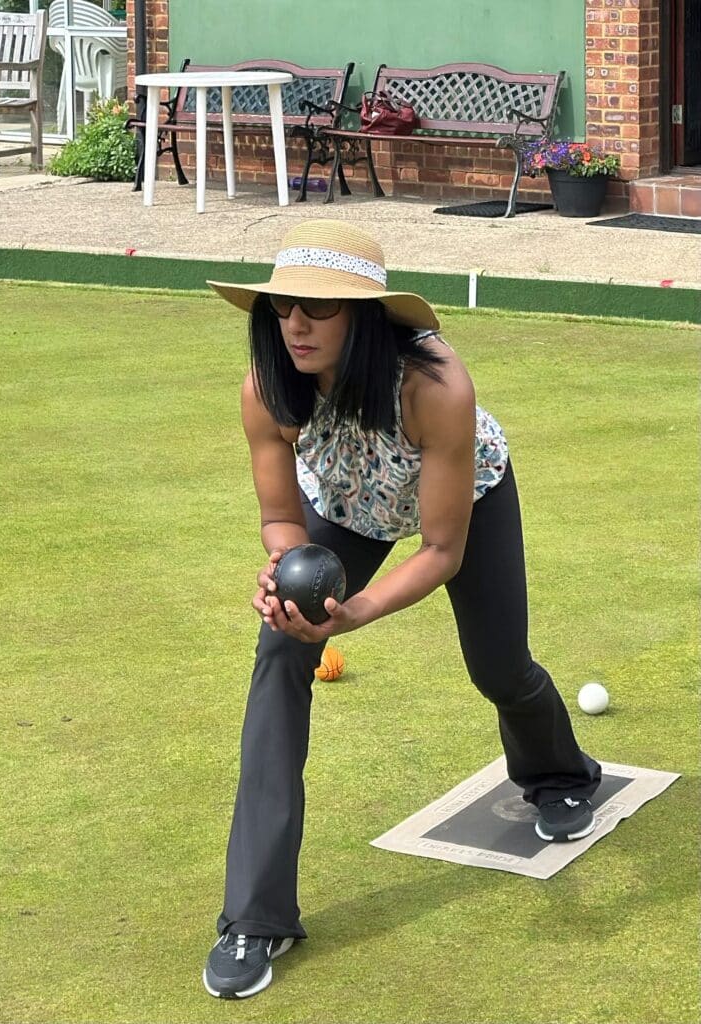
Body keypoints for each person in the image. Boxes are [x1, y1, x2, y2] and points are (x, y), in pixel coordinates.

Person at [202, 220, 601, 1000]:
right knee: (279, 652)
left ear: (366, 318)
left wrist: (356, 613)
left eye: (319, 309)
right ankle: (256, 913)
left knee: (498, 666)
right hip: (347, 510)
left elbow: (441, 549)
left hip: (467, 501)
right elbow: (281, 518)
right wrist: (284, 573)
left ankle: (560, 774)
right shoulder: (267, 385)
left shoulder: (435, 386)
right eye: (284, 307)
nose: (296, 325)